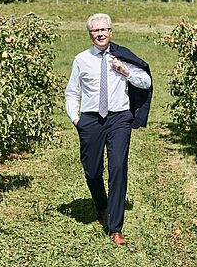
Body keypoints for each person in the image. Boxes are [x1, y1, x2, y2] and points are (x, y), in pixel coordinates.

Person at [65, 13, 152, 246]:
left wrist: (126, 71)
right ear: (90, 34)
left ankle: (115, 227)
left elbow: (146, 82)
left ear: (111, 32)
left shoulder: (122, 55)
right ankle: (102, 205)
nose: (100, 34)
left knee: (118, 168)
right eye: (95, 31)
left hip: (119, 119)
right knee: (92, 170)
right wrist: (76, 118)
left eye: (104, 30)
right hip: (91, 120)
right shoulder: (81, 59)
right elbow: (72, 92)